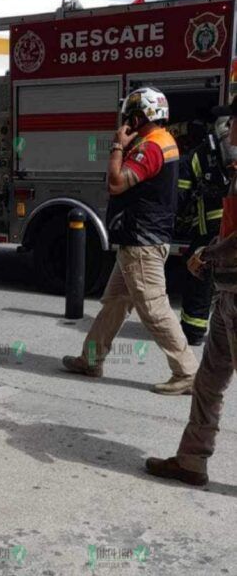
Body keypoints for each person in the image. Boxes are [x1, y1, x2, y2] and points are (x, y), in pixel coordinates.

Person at [62, 86, 198, 394]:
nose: (127, 122)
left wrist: (117, 147)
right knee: (115, 305)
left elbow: (116, 182)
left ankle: (187, 371)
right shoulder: (164, 141)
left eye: (130, 116)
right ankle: (90, 360)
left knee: (153, 307)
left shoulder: (149, 147)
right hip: (141, 240)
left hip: (142, 243)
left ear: (139, 117)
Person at [146, 98, 237, 486]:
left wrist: (209, 252)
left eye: (233, 121)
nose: (229, 129)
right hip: (227, 294)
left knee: (210, 382)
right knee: (207, 382)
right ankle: (191, 461)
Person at [177, 116, 231, 345]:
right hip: (232, 226)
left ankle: (193, 331)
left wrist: (177, 217)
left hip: (207, 228)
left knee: (199, 278)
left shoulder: (200, 153)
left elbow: (181, 191)